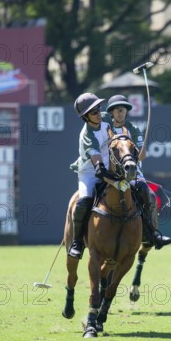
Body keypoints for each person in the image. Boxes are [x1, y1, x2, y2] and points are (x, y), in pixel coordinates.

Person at [105, 94, 171, 250]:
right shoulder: (104, 126)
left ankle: (152, 233)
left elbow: (142, 156)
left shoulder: (133, 129)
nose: (120, 113)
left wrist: (140, 149)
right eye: (117, 110)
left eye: (123, 110)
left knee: (149, 195)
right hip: (108, 172)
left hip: (132, 171)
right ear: (111, 113)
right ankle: (80, 238)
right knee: (87, 197)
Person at [67, 92, 114, 258]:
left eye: (99, 109)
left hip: (112, 167)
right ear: (85, 117)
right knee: (84, 201)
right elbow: (98, 165)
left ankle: (149, 233)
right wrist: (108, 175)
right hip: (90, 172)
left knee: (135, 191)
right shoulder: (87, 135)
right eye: (94, 112)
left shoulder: (106, 118)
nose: (98, 114)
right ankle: (77, 242)